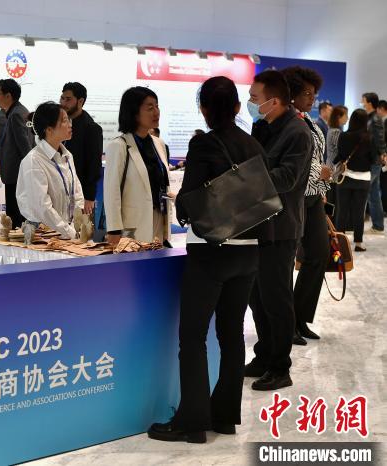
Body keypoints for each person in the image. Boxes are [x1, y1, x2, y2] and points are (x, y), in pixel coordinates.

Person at [148, 76, 267, 444]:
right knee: (232, 335)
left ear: (203, 108)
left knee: (193, 337)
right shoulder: (253, 144)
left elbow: (189, 200)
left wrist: (181, 208)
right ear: (237, 107)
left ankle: (193, 421)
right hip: (249, 250)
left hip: (211, 251)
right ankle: (225, 416)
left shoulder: (203, 144)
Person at [244, 70, 313, 391]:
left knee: (276, 298)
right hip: (257, 223)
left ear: (273, 101)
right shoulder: (263, 127)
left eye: (254, 98)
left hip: (281, 228)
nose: (250, 102)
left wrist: (244, 179)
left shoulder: (298, 133)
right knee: (257, 297)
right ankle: (264, 355)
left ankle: (280, 367)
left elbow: (287, 178)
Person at [281, 66, 331, 345]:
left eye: (314, 93)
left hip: (313, 198)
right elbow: (292, 163)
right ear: (292, 94)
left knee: (319, 254)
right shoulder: (284, 122)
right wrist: (318, 174)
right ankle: (286, 323)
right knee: (286, 262)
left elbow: (317, 158)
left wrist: (322, 187)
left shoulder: (309, 121)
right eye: (307, 93)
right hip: (293, 198)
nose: (312, 98)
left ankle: (300, 317)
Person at [104, 87, 171, 245]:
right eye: (150, 108)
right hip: (132, 227)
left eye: (157, 106)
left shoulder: (159, 144)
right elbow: (112, 192)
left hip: (159, 219)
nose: (156, 112)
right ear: (134, 112)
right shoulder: (119, 146)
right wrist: (114, 230)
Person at [16, 102, 84, 239]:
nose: (70, 125)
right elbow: (42, 207)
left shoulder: (67, 156)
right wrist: (69, 232)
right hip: (44, 235)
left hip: (69, 231)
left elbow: (77, 193)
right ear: (49, 129)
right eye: (64, 121)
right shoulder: (34, 160)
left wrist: (77, 225)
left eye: (69, 120)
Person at [60, 82, 103, 216]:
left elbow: (94, 165)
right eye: (62, 98)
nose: (63, 103)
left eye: (68, 99)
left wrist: (89, 197)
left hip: (80, 193)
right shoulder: (58, 124)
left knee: (80, 227)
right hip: (59, 190)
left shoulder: (91, 128)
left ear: (80, 101)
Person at [334, 109, 373, 251]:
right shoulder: (370, 137)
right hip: (363, 179)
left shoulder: (343, 135)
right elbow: (374, 159)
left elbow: (340, 155)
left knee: (342, 211)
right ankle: (358, 243)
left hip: (346, 177)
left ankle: (339, 242)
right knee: (359, 212)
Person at [0, 78, 32, 227]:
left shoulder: (16, 114)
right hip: (16, 174)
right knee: (16, 216)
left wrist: (29, 172)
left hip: (16, 175)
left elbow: (25, 147)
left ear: (8, 96)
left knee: (15, 218)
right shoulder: (18, 111)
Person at [361, 92, 387, 233]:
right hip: (372, 160)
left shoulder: (375, 119)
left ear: (369, 103)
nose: (362, 103)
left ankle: (371, 225)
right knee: (374, 194)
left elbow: (379, 139)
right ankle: (378, 225)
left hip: (373, 161)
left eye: (363, 101)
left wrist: (383, 154)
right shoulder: (371, 118)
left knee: (365, 192)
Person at [325, 105, 349, 216]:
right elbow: (341, 150)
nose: (347, 118)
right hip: (334, 171)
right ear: (339, 117)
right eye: (346, 115)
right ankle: (332, 224)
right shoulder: (336, 132)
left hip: (333, 169)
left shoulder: (334, 130)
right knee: (333, 201)